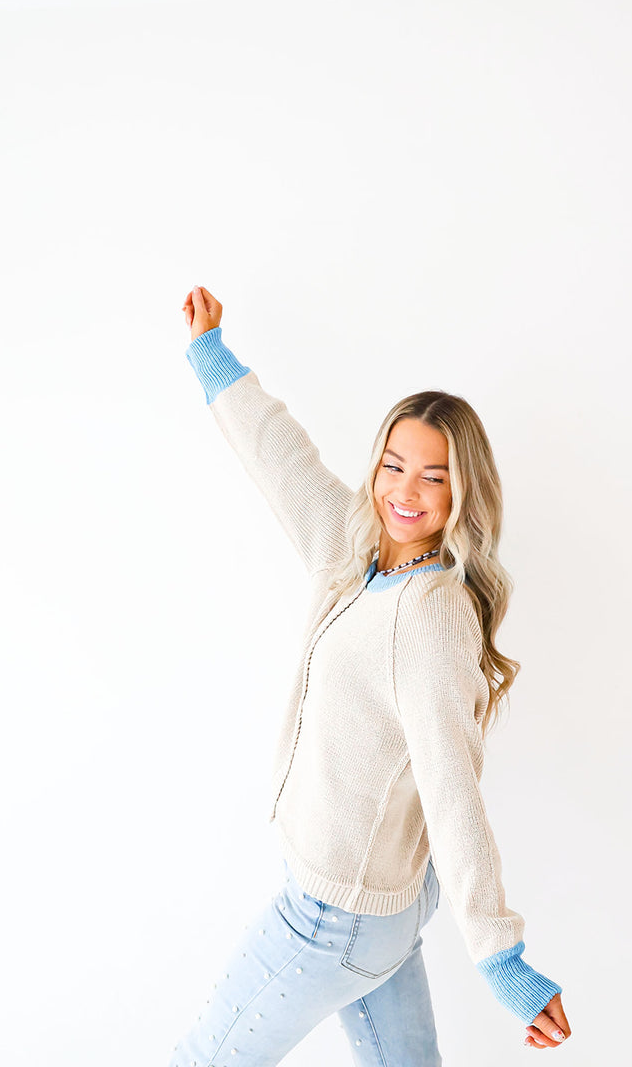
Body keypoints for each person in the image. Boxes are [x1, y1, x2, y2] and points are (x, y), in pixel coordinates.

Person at [169, 285, 571, 1066]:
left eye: (434, 476)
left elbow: (453, 788)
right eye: (393, 465)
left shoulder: (428, 613)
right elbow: (286, 462)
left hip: (333, 916)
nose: (405, 491)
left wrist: (504, 961)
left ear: (463, 492)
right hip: (380, 904)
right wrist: (212, 355)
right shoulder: (355, 556)